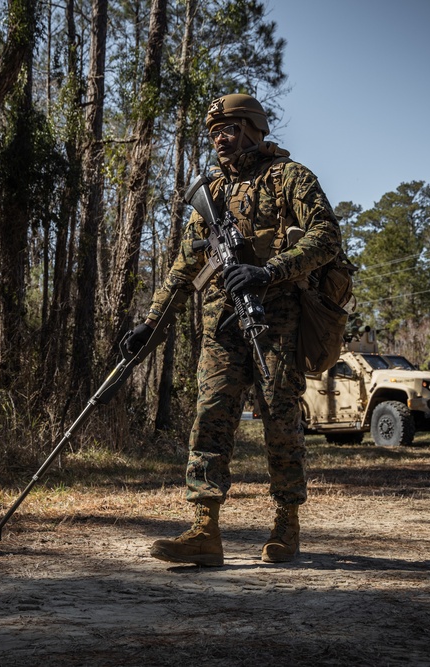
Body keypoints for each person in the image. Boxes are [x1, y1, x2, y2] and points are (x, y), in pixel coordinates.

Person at [123, 92, 343, 565]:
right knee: (210, 416)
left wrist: (271, 271)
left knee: (281, 423)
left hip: (276, 320)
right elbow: (185, 267)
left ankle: (286, 524)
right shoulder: (213, 192)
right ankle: (205, 529)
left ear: (253, 128)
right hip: (220, 323)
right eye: (214, 132)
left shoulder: (290, 178)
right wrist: (149, 324)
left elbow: (327, 236)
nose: (220, 138)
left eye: (229, 128)